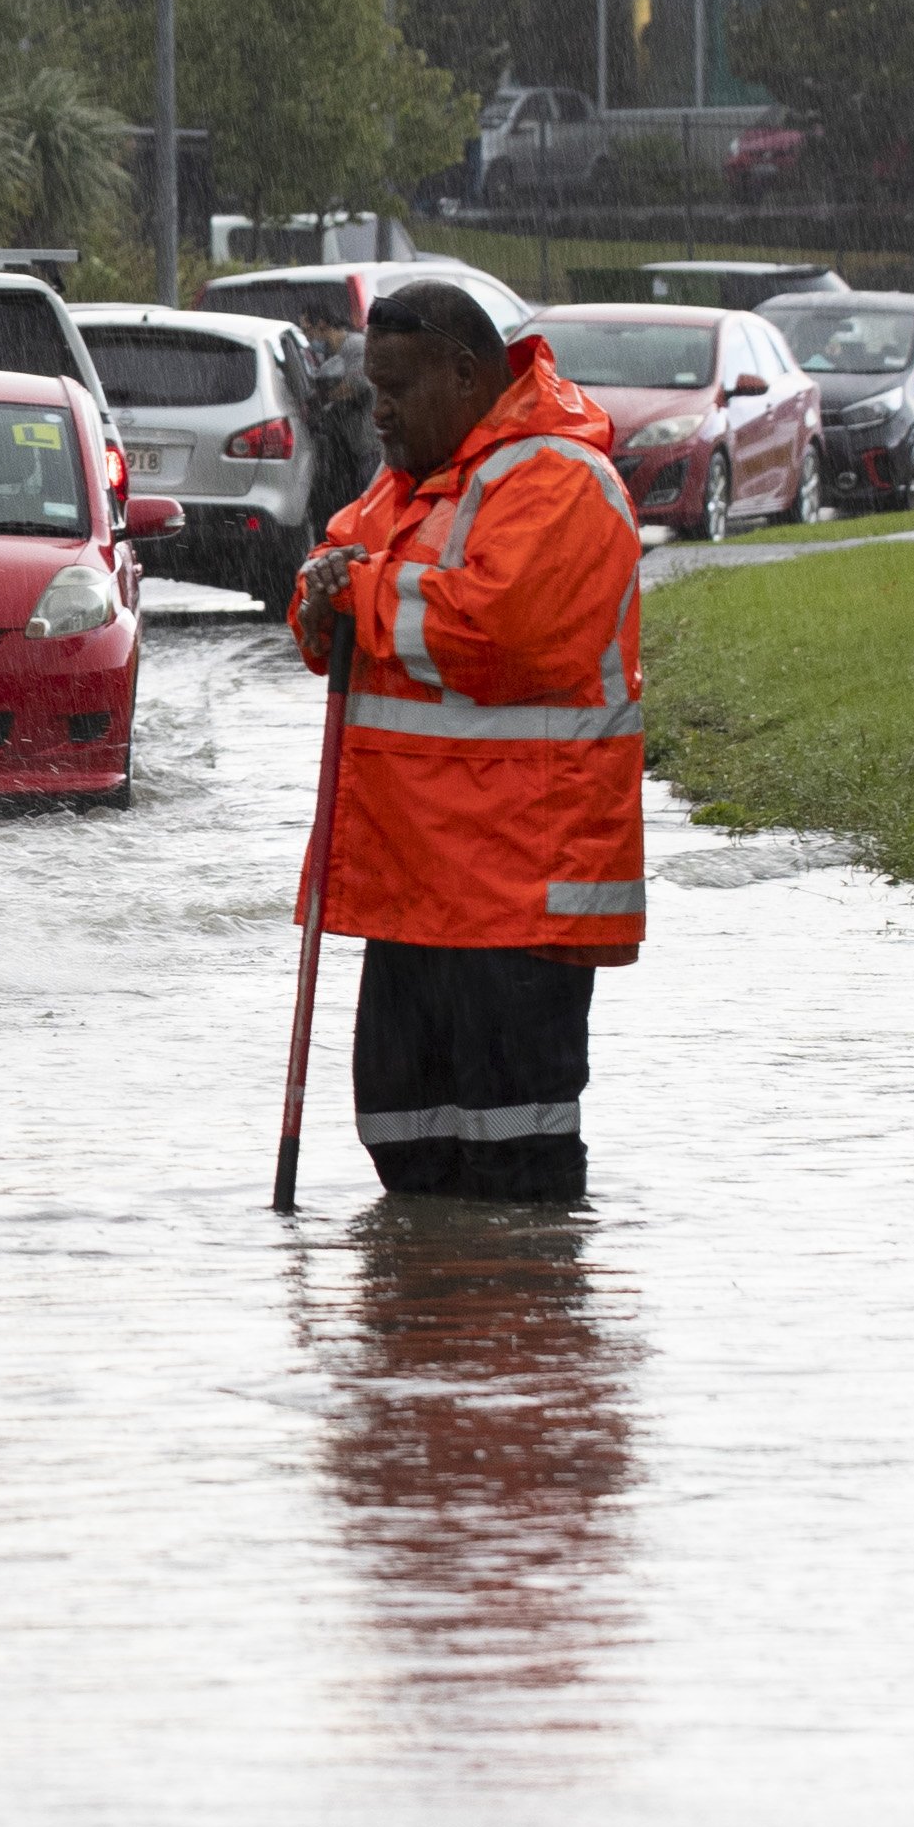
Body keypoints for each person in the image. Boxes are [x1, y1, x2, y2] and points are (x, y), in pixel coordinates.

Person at [290, 279, 644, 1199]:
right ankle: (429, 1325)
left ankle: (514, 1330)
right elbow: (325, 597)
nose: (380, 415)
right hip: (414, 893)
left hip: (518, 895)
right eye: (372, 391)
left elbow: (495, 633)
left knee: (516, 1161)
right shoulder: (406, 490)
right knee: (403, 1141)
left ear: (463, 372)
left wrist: (356, 593)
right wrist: (326, 600)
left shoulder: (564, 480)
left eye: (397, 388)